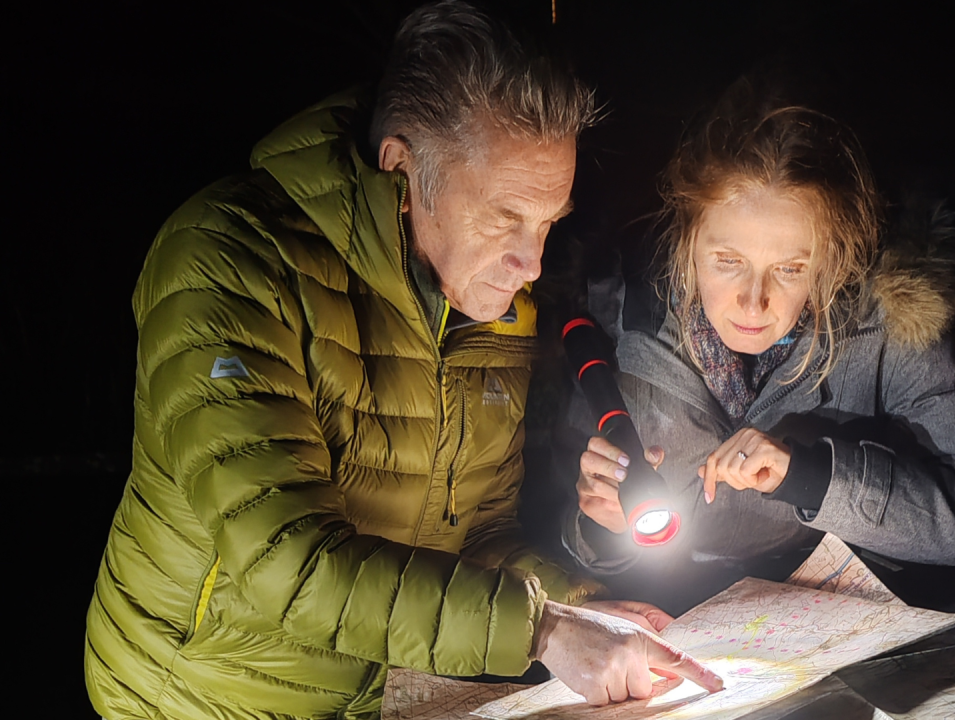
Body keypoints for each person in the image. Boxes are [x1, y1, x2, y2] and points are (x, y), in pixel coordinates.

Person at [84, 4, 721, 719]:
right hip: (199, 693)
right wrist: (541, 630)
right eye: (504, 218)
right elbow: (284, 565)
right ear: (401, 167)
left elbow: (476, 534)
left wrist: (587, 607)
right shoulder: (226, 264)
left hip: (387, 692)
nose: (531, 260)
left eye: (546, 223)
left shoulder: (496, 303)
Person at [562, 82, 955, 610]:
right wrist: (599, 525)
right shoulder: (620, 318)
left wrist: (811, 479)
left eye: (789, 269)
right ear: (687, 237)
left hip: (834, 623)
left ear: (831, 256)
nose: (753, 302)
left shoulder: (886, 330)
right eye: (728, 261)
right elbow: (569, 543)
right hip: (672, 632)